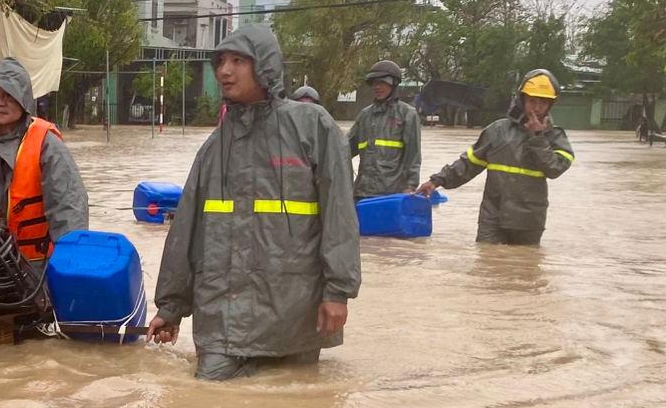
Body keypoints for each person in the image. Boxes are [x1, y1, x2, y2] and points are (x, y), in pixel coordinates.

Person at [147, 25, 361, 381]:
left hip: (295, 311)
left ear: (264, 65)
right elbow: (186, 230)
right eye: (220, 62)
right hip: (222, 317)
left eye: (237, 61)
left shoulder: (312, 127)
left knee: (296, 404)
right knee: (208, 399)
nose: (224, 71)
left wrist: (338, 293)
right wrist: (171, 307)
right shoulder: (215, 147)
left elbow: (340, 216)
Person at [0, 57, 88, 263]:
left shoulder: (47, 145)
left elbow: (68, 209)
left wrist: (71, 264)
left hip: (35, 264)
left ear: (23, 101)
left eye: (8, 95)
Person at [416, 69, 575, 246]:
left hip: (529, 222)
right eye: (532, 101)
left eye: (543, 103)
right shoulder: (498, 130)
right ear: (522, 100)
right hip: (493, 219)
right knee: (488, 260)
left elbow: (554, 169)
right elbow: (468, 164)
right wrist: (436, 181)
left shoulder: (555, 137)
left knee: (526, 262)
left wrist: (537, 137)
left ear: (550, 105)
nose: (537, 108)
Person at [347, 59, 421, 198]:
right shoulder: (364, 115)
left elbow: (413, 157)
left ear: (394, 83)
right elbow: (343, 149)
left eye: (382, 82)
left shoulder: (407, 114)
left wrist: (410, 187)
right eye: (374, 83)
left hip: (392, 195)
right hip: (361, 193)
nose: (377, 87)